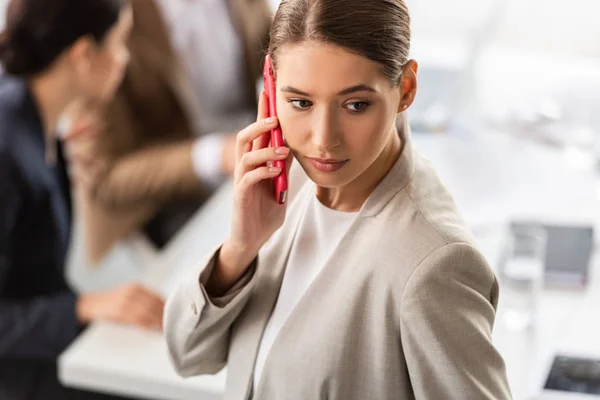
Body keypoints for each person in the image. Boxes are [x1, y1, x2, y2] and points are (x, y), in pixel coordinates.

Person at [163, 0, 513, 399]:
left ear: (406, 90)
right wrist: (240, 249)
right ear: (271, 88)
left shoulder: (434, 264)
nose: (323, 139)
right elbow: (187, 355)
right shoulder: (282, 184)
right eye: (300, 102)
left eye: (356, 105)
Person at [0, 0, 163, 398]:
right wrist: (82, 307)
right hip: (20, 362)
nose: (124, 59)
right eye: (119, 43)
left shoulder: (30, 112)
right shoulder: (6, 148)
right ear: (83, 55)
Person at [65, 0, 273, 263]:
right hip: (171, 191)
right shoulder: (96, 16)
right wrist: (217, 155)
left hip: (253, 129)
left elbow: (272, 38)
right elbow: (106, 175)